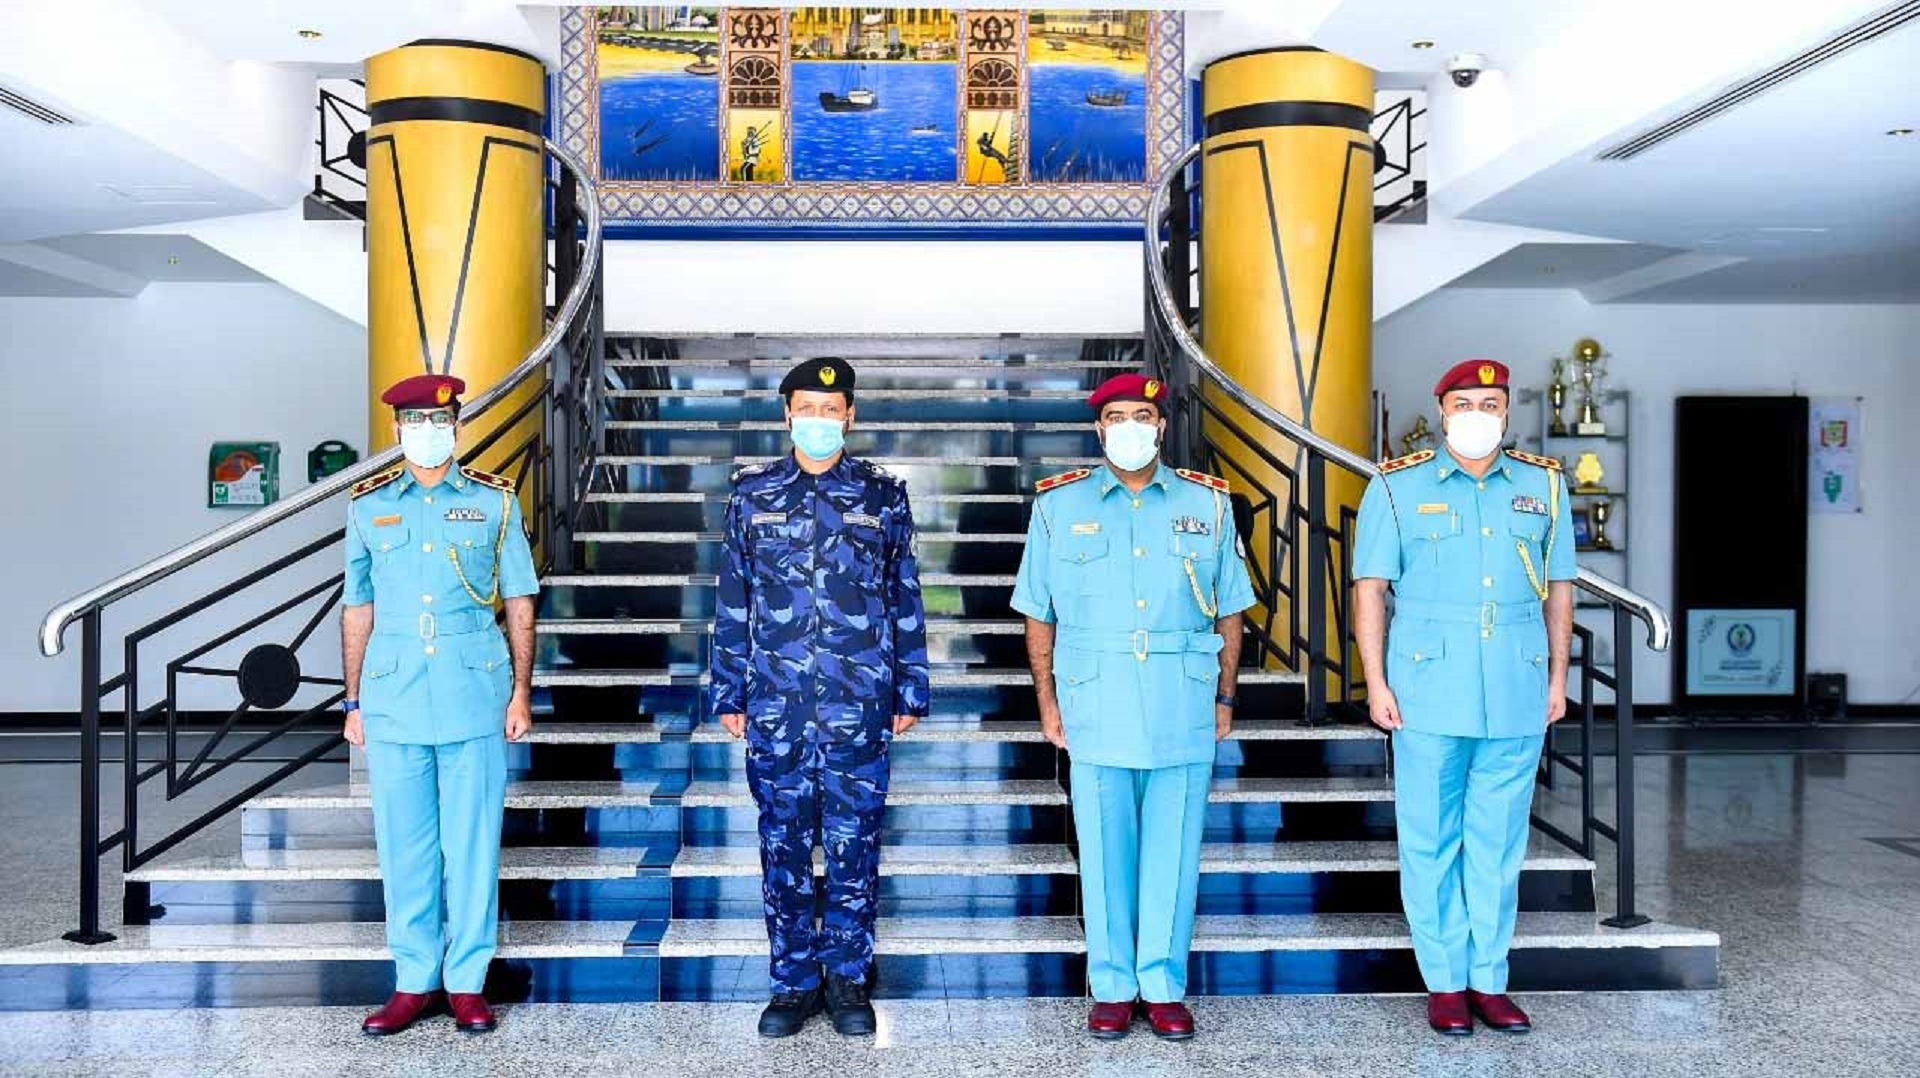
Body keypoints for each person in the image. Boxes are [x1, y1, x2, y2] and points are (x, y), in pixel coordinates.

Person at [1010, 373, 1255, 1041]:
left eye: (1140, 415)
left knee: (1174, 852)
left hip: (1181, 700)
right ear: (1099, 429)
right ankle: (1114, 985)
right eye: (1115, 416)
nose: (1129, 427)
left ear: (1160, 425)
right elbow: (1038, 613)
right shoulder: (1060, 507)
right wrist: (1047, 702)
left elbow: (1231, 608)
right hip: (1097, 701)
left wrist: (1226, 695)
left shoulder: (1207, 505)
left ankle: (1164, 984)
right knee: (1106, 851)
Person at [1350, 358, 1575, 1037]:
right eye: (1465, 403)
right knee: (1430, 838)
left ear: (1508, 413)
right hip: (1427, 686)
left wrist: (1559, 678)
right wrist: (1376, 681)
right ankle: (1445, 981)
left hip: (1515, 681)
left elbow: (1559, 588)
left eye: (1492, 403)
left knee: (1499, 842)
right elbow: (1369, 589)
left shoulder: (1544, 488)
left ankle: (1490, 979)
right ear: (1442, 410)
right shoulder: (1395, 488)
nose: (1479, 414)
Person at [708, 356, 930, 1039]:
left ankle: (846, 981)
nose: (819, 420)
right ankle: (792, 982)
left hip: (859, 703)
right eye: (806, 409)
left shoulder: (882, 496)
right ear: (787, 416)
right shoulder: (751, 496)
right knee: (782, 845)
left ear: (850, 417)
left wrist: (911, 684)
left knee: (854, 846)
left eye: (831, 411)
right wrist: (728, 689)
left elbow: (904, 597)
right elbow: (732, 600)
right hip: (776, 705)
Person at [340, 373, 539, 1036]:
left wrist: (520, 692)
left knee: (472, 843)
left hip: (471, 693)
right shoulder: (369, 507)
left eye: (439, 420)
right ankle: (413, 979)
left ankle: (467, 982)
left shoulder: (495, 504)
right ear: (397, 430)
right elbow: (358, 606)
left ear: (456, 426)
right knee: (405, 848)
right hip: (392, 695)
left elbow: (519, 602)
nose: (428, 432)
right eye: (416, 421)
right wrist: (352, 700)